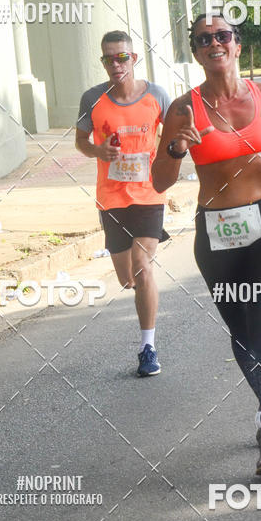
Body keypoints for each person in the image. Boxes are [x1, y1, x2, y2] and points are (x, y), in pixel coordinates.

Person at [152, 15, 261, 476]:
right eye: (204, 39)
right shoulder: (183, 109)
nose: (214, 43)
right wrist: (177, 149)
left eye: (222, 35)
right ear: (196, 52)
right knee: (242, 335)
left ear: (237, 45)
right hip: (217, 231)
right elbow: (159, 181)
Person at [75, 30, 171, 375]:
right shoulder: (93, 98)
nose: (116, 64)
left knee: (144, 268)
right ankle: (139, 295)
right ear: (102, 62)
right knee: (127, 278)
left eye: (123, 57)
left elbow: (174, 133)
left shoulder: (157, 95)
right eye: (109, 59)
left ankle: (148, 347)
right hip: (112, 197)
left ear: (134, 58)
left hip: (149, 194)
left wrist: (170, 160)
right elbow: (81, 141)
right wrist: (98, 150)